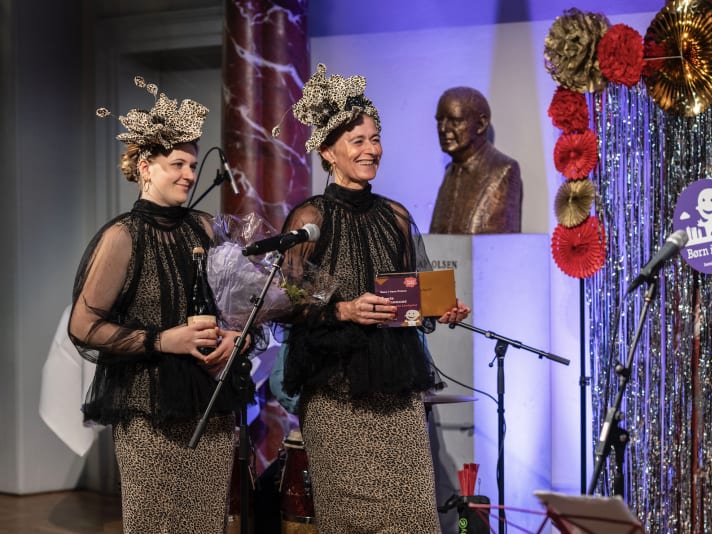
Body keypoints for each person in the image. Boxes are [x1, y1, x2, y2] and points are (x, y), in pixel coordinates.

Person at [275, 64, 470, 533]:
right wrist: (342, 308)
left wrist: (439, 308)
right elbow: (285, 304)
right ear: (328, 151)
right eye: (358, 140)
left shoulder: (396, 216)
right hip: (337, 395)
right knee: (352, 521)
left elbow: (411, 293)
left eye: (375, 138)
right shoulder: (308, 218)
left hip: (397, 395)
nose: (371, 149)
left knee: (414, 519)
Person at [68, 76, 252, 533]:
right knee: (156, 526)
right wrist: (162, 339)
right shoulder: (123, 237)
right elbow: (83, 325)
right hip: (147, 409)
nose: (189, 174)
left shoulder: (207, 229)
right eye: (177, 164)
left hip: (208, 403)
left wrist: (238, 336)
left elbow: (245, 305)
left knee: (205, 524)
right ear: (146, 167)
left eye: (192, 164)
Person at [429, 86, 523, 234]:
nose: (442, 129)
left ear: (481, 124)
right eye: (440, 120)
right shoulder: (449, 172)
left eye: (454, 121)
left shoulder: (504, 170)